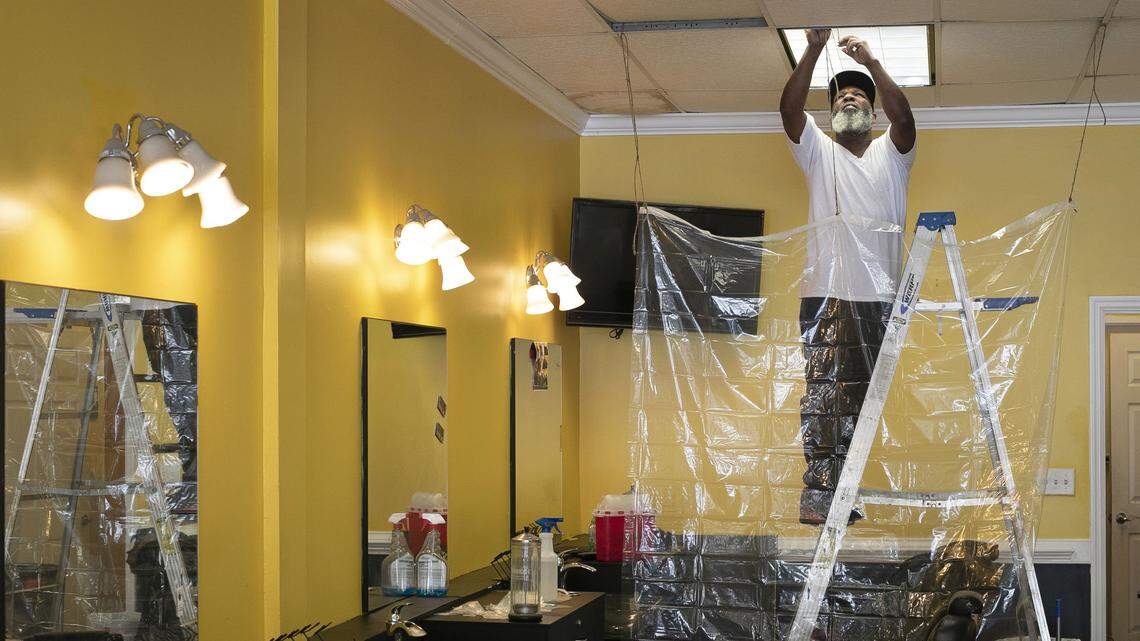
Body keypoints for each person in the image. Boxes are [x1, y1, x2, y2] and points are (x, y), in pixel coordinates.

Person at [778, 29, 917, 525]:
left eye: (859, 96)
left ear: (873, 115)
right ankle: (818, 495)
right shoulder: (818, 150)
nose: (849, 98)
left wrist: (871, 62)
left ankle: (840, 491)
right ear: (831, 116)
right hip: (827, 294)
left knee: (862, 400)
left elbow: (905, 119)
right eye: (840, 96)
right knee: (825, 394)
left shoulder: (891, 154)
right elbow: (790, 111)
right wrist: (813, 50)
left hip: (880, 298)